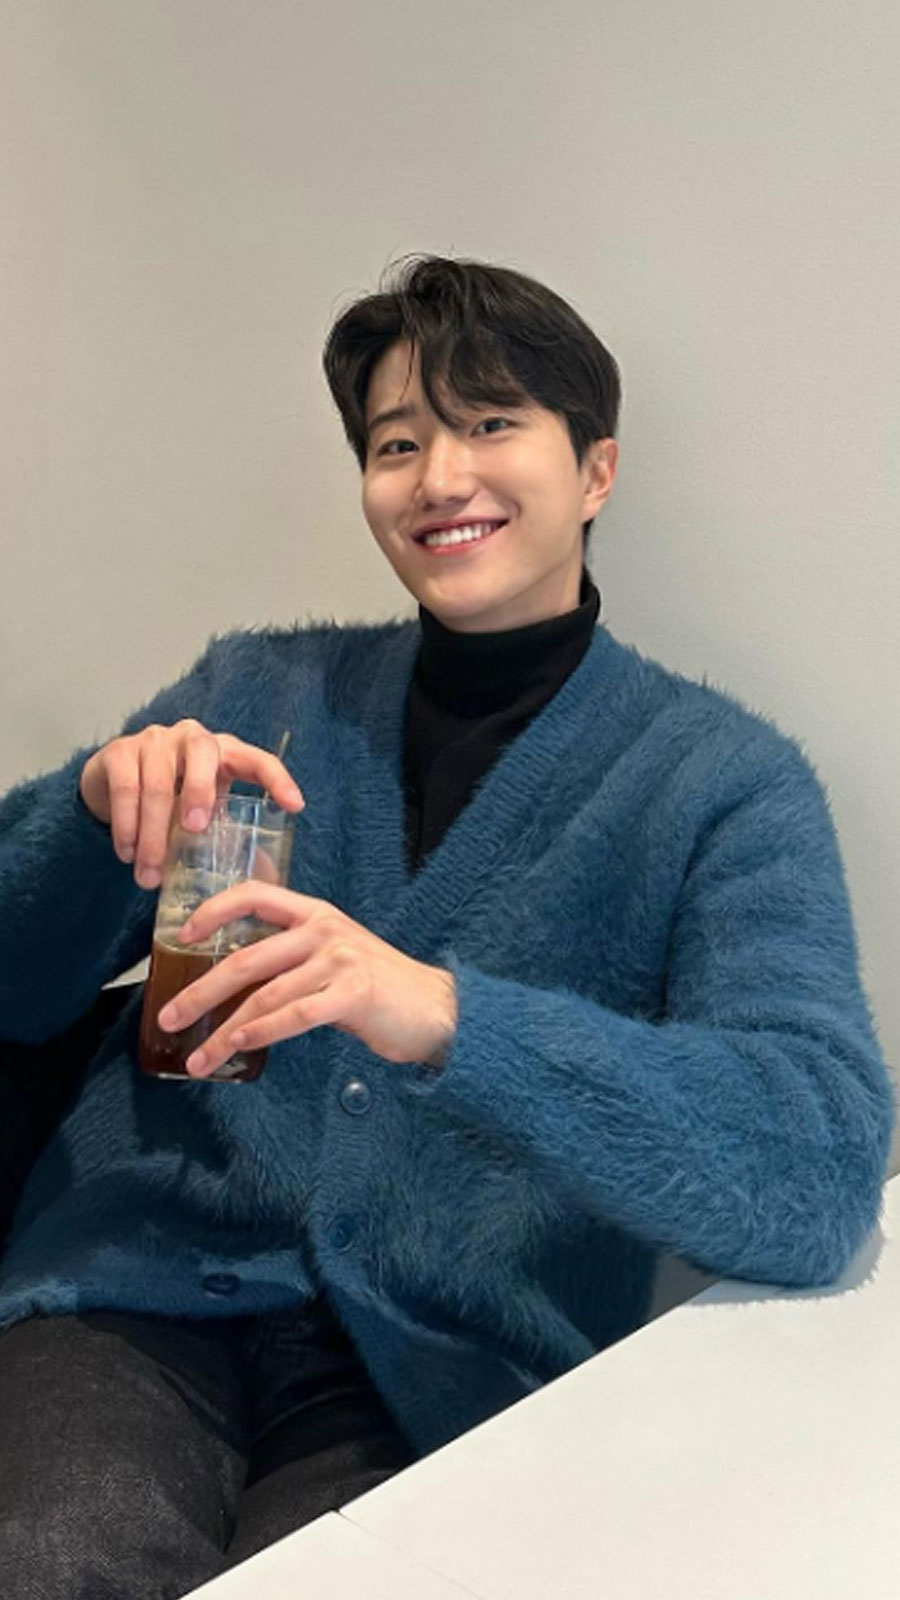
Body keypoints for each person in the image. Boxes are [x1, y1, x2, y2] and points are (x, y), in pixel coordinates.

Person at [0, 256, 893, 1598]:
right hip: (135, 1293)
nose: (438, 477)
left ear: (595, 471)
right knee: (47, 1563)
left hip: (440, 1372)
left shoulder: (721, 786)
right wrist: (82, 817)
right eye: (396, 442)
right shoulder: (256, 691)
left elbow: (814, 1169)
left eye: (489, 423)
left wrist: (447, 1018)